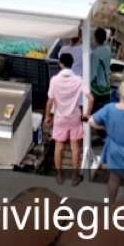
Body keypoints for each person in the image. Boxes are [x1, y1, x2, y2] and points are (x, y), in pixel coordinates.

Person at [45, 50, 88, 184]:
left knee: (58, 146)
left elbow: (50, 100)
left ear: (60, 64)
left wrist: (47, 116)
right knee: (75, 147)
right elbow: (90, 98)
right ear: (72, 64)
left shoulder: (54, 80)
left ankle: (59, 175)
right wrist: (86, 114)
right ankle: (75, 177)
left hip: (60, 118)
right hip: (75, 117)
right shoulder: (79, 80)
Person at [89, 26, 114, 113]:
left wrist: (86, 83)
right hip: (106, 87)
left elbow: (93, 73)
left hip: (97, 90)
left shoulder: (95, 53)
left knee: (93, 113)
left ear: (95, 38)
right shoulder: (108, 49)